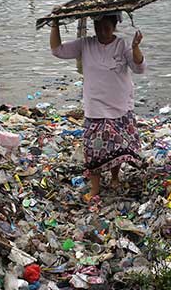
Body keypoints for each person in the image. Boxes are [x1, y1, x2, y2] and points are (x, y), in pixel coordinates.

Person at [50, 12, 146, 202]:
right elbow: (57, 50)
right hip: (95, 107)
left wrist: (136, 48)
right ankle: (95, 188)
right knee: (93, 150)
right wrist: (55, 24)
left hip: (120, 105)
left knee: (117, 147)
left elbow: (139, 68)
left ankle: (115, 177)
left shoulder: (123, 45)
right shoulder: (86, 44)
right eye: (98, 28)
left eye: (107, 28)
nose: (102, 32)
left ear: (114, 27)